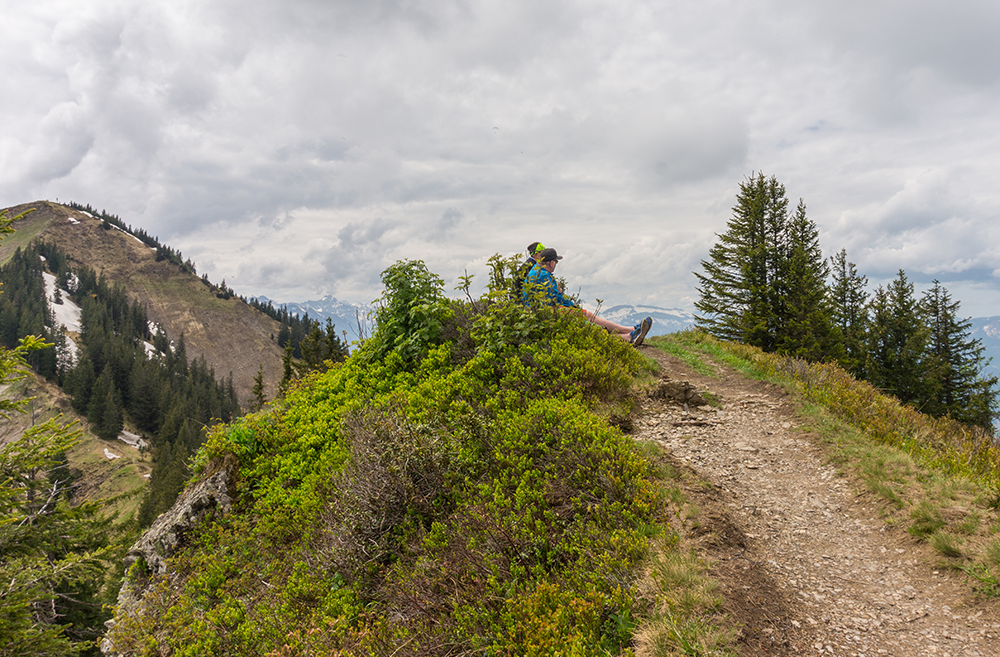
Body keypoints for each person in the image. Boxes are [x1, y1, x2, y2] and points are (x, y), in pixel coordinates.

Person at [522, 247, 653, 346]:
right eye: (556, 262)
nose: (556, 264)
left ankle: (631, 330)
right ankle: (628, 338)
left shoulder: (535, 271)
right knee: (585, 323)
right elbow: (558, 298)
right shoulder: (544, 276)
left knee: (588, 315)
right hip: (547, 313)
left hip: (542, 311)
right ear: (551, 263)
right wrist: (574, 307)